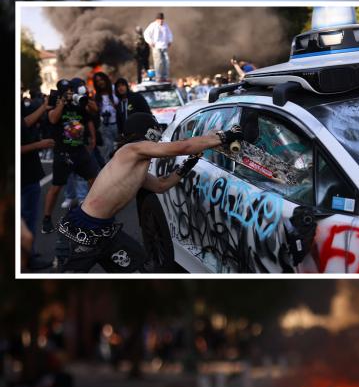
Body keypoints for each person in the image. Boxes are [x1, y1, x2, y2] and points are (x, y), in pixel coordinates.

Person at [57, 112, 241, 273]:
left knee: (138, 265)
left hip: (104, 231)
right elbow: (181, 147)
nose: (160, 135)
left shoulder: (135, 163)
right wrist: (223, 137)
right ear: (149, 131)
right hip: (83, 229)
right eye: (156, 129)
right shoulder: (131, 149)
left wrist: (189, 164)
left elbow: (161, 185)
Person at [40, 78, 99, 236]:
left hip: (79, 150)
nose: (69, 92)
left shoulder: (78, 102)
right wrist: (62, 102)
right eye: (66, 91)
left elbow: (93, 112)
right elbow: (53, 118)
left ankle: (95, 213)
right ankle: (46, 218)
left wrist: (85, 97)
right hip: (63, 152)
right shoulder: (55, 102)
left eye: (70, 90)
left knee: (95, 179)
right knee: (56, 187)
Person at [21, 95, 54, 268]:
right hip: (23, 176)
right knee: (26, 218)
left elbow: (23, 122)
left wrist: (43, 108)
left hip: (27, 174)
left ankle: (27, 253)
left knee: (27, 217)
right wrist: (39, 145)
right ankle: (28, 258)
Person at [91, 71, 119, 163]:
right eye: (97, 81)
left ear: (105, 79)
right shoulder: (97, 96)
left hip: (118, 124)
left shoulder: (115, 89)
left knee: (123, 148)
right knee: (108, 151)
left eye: (101, 79)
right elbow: (96, 112)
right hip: (105, 126)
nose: (100, 82)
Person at [143, 12, 173, 81]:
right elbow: (146, 34)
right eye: (159, 19)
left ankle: (165, 77)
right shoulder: (153, 25)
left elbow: (169, 34)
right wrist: (150, 42)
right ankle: (159, 77)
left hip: (164, 47)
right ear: (156, 20)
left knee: (166, 62)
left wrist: (170, 41)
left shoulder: (165, 26)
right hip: (156, 47)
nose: (161, 21)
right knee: (158, 62)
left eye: (162, 19)